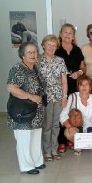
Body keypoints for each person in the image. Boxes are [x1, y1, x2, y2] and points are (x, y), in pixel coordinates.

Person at [6, 42, 45, 175]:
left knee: (35, 137)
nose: (34, 55)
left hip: (36, 111)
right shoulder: (17, 69)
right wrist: (30, 96)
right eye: (30, 52)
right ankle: (26, 166)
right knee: (24, 139)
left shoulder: (35, 67)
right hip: (22, 111)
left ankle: (36, 161)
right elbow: (11, 88)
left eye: (35, 52)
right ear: (22, 55)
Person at [55, 23, 86, 153]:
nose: (68, 35)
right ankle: (61, 140)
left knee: (72, 113)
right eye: (65, 32)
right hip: (59, 87)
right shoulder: (56, 50)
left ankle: (70, 138)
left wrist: (78, 73)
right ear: (61, 34)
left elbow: (83, 67)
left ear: (73, 36)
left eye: (70, 33)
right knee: (60, 113)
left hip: (74, 87)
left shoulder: (77, 50)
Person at [37, 34, 68, 162]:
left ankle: (54, 150)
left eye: (54, 45)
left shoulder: (60, 60)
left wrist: (64, 96)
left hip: (58, 95)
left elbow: (64, 81)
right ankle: (47, 151)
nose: (51, 47)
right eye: (49, 45)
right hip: (44, 97)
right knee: (47, 125)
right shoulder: (37, 60)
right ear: (43, 45)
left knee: (56, 124)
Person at [59, 75, 92, 155]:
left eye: (86, 84)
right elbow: (63, 115)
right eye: (81, 84)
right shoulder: (72, 97)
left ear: (90, 87)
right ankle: (78, 144)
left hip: (89, 126)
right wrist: (69, 127)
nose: (84, 87)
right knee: (68, 133)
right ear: (78, 87)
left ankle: (82, 143)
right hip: (76, 127)